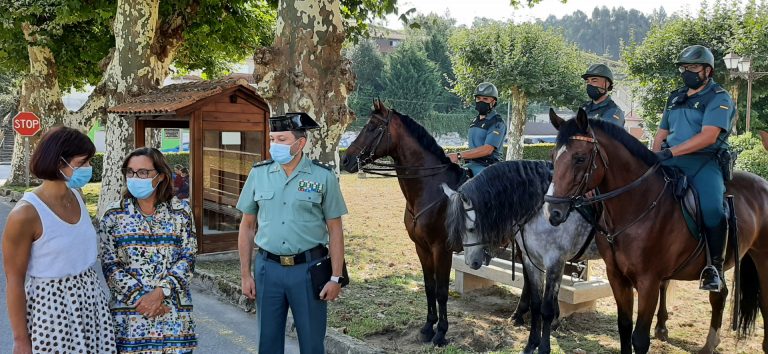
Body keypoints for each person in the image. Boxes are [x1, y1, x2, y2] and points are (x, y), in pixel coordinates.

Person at [236, 112, 348, 354]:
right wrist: (245, 274)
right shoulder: (259, 174)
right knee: (268, 342)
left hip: (308, 271)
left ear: (300, 143)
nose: (275, 145)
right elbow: (246, 226)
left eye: (282, 140)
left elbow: (335, 230)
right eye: (272, 139)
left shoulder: (323, 177)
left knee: (311, 343)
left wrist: (336, 277)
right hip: (268, 269)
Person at [2, 126, 116, 353]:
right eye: (82, 162)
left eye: (89, 162)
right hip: (53, 309)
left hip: (91, 301)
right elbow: (14, 281)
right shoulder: (25, 214)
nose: (88, 168)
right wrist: (21, 340)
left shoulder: (76, 195)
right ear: (58, 162)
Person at [653, 45, 735, 292]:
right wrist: (653, 157)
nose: (687, 72)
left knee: (712, 208)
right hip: (668, 159)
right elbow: (661, 134)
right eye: (684, 67)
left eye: (693, 67)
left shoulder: (719, 97)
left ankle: (715, 269)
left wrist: (669, 152)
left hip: (703, 162)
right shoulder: (675, 97)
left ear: (707, 71)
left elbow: (709, 136)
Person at [100, 147, 197, 353]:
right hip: (130, 317)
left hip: (173, 315)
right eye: (130, 172)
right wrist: (141, 300)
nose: (135, 177)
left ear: (160, 176)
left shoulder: (180, 212)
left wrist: (160, 293)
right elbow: (110, 265)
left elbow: (188, 256)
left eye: (143, 172)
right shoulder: (113, 214)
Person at [447, 82, 507, 176]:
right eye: (478, 98)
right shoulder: (474, 121)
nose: (481, 101)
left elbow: (487, 149)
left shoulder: (497, 122)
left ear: (493, 102)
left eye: (485, 99)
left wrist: (458, 156)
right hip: (470, 165)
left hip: (488, 169)